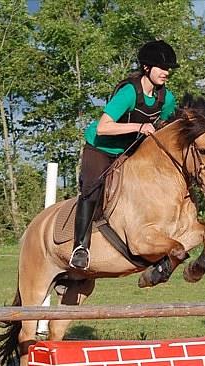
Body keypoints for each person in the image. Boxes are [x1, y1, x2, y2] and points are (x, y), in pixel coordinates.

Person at [70, 40, 180, 270]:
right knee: (91, 187)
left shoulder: (166, 98)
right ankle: (80, 247)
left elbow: (168, 124)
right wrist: (139, 128)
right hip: (101, 147)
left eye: (168, 68)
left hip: (130, 150)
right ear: (147, 68)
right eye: (161, 67)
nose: (166, 72)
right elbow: (103, 127)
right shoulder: (129, 92)